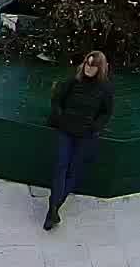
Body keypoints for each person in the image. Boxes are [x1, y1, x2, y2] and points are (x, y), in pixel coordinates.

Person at [45, 49, 114, 230]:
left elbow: (106, 111)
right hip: (66, 130)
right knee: (61, 165)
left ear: (100, 68)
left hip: (85, 135)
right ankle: (53, 208)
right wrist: (60, 118)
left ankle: (55, 207)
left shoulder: (105, 88)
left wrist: (95, 127)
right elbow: (57, 100)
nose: (89, 68)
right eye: (87, 63)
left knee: (73, 170)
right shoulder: (74, 81)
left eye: (93, 65)